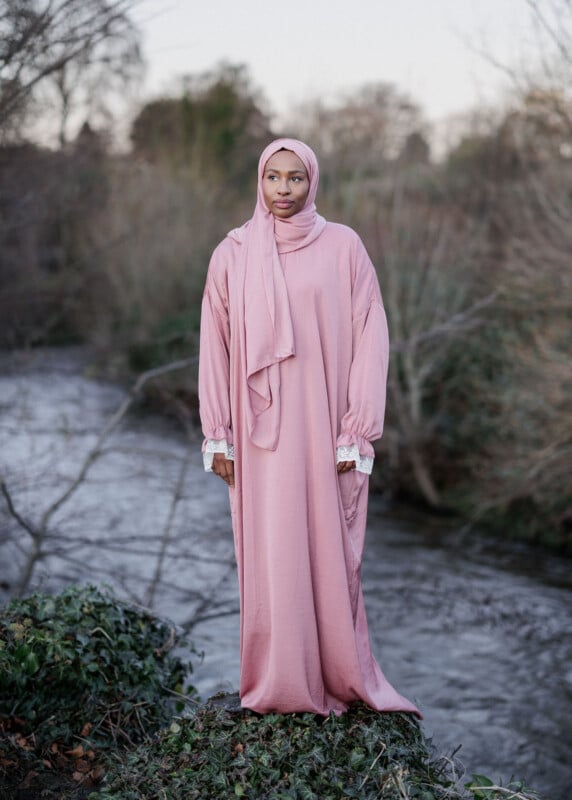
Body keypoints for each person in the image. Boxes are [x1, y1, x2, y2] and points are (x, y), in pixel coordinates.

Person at [198, 138, 421, 718]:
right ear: (259, 180)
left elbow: (371, 332)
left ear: (312, 181)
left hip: (326, 429)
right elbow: (214, 342)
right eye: (273, 176)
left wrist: (358, 428)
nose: (283, 189)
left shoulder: (344, 246)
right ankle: (278, 682)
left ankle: (337, 675)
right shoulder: (233, 253)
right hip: (259, 437)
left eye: (295, 178)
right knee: (272, 555)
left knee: (329, 552)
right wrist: (217, 432)